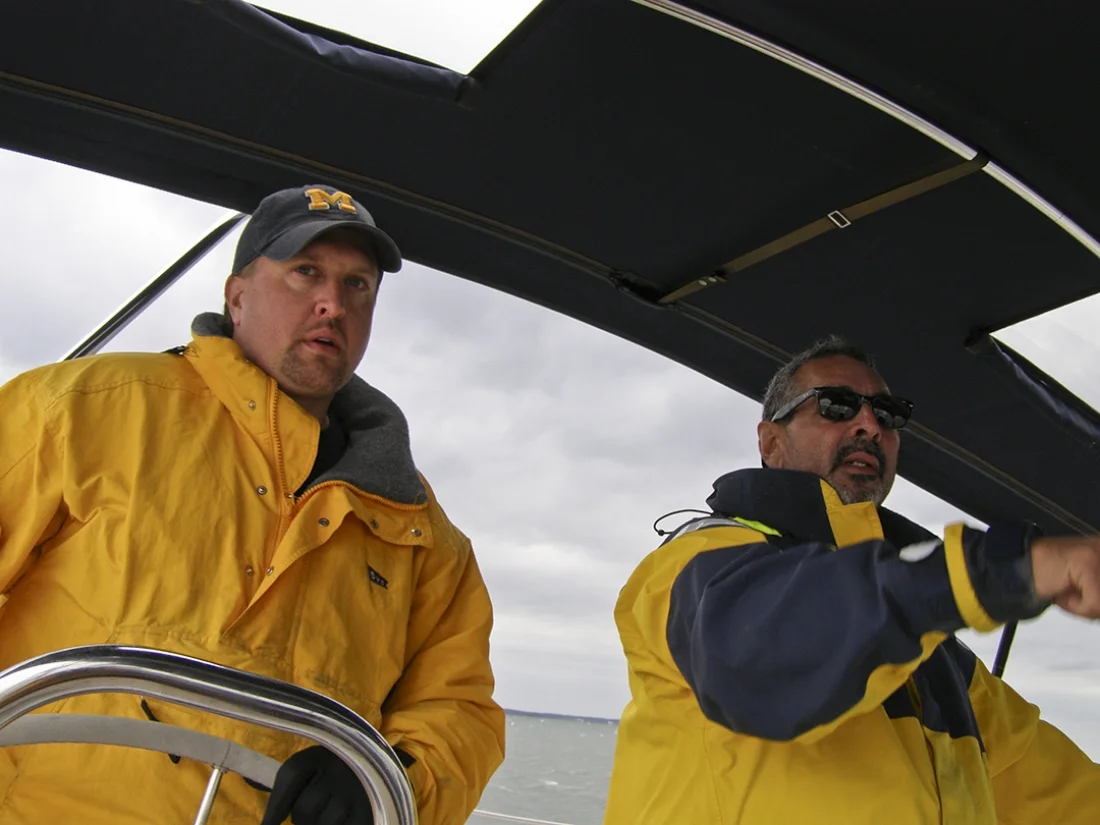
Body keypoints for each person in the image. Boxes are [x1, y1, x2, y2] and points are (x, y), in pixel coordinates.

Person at [0, 184, 505, 824]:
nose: (332, 303)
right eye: (305, 272)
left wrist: (385, 779)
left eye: (359, 286)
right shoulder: (80, 410)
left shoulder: (424, 537)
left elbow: (460, 710)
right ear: (237, 296)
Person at [604, 335, 1100, 824]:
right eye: (837, 405)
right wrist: (1002, 569)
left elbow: (1067, 797)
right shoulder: (695, 566)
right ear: (771, 443)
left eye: (887, 414)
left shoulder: (942, 664)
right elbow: (760, 655)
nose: (868, 424)